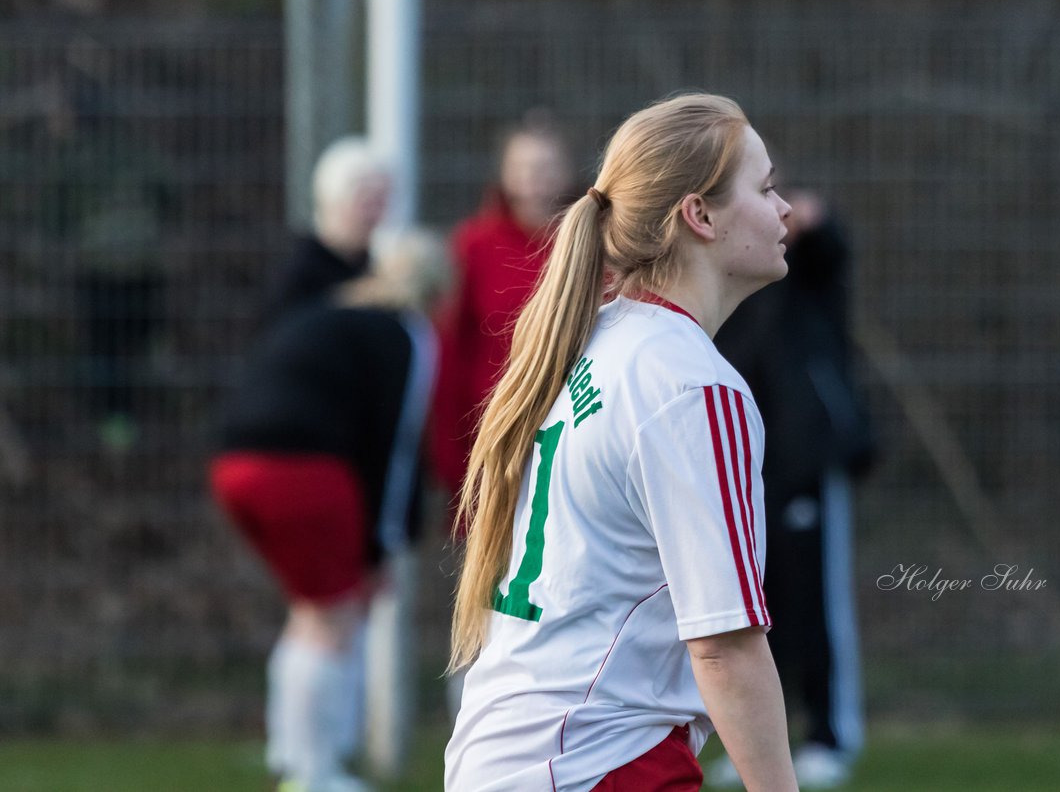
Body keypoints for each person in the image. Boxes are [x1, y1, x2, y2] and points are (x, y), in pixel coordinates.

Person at [444, 93, 800, 792]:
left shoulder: (595, 342)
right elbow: (726, 646)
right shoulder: (694, 388)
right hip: (596, 762)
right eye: (764, 188)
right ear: (699, 215)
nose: (785, 208)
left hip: (510, 757)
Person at [210, 228, 448, 792]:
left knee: (309, 610)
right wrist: (385, 545)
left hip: (232, 464)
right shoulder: (408, 334)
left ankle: (291, 755)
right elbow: (396, 446)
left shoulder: (329, 314)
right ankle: (315, 774)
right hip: (302, 470)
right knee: (334, 618)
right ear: (438, 290)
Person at [711, 191, 879, 789]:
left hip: (805, 465)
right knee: (749, 612)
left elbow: (832, 253)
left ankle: (830, 735)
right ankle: (755, 743)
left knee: (817, 607)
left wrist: (821, 220)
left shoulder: (798, 264)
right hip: (741, 468)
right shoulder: (716, 280)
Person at [428, 110, 575, 527]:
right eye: (525, 168)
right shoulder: (472, 245)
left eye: (546, 168)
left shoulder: (592, 245)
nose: (536, 180)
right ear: (505, 174)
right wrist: (453, 458)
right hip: (494, 440)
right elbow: (450, 350)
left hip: (571, 439)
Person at [263, 136, 391, 326]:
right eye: (365, 203)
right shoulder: (299, 273)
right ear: (332, 203)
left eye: (381, 203)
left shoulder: (371, 268)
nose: (374, 217)